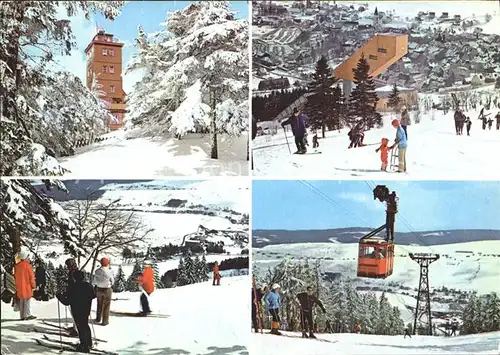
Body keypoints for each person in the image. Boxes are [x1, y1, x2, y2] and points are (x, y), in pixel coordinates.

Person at [59, 270, 96, 353]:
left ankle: (84, 346)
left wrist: (60, 297)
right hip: (86, 309)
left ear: (74, 278)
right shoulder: (88, 285)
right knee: (85, 325)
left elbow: (67, 302)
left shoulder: (73, 287)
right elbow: (93, 295)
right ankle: (88, 343)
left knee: (81, 327)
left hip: (77, 310)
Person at [13, 249, 36, 320]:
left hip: (19, 287)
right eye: (27, 256)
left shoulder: (16, 266)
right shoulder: (28, 266)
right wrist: (33, 285)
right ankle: (27, 315)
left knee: (22, 301)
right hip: (27, 286)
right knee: (27, 301)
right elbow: (31, 277)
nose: (28, 258)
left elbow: (14, 276)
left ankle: (22, 316)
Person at [93, 257, 114, 326]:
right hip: (107, 289)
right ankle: (105, 321)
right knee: (106, 306)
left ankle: (98, 318)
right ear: (107, 263)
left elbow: (94, 281)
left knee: (99, 304)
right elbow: (112, 281)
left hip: (99, 289)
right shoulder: (110, 271)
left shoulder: (97, 271)